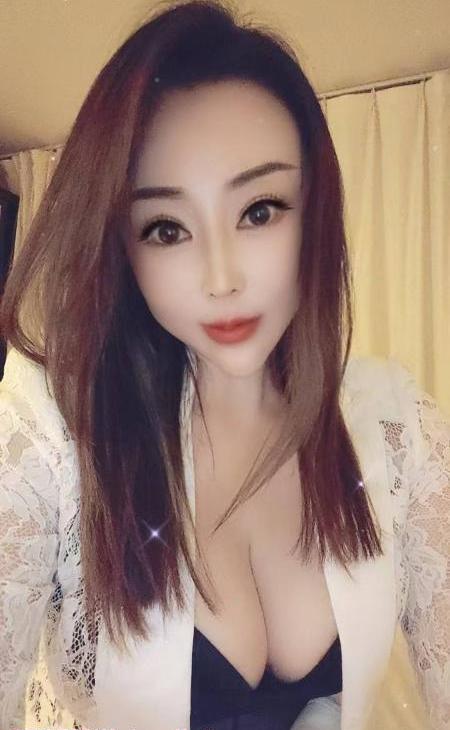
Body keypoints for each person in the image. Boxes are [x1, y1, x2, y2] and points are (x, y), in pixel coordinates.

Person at [0, 1, 449, 729]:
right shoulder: (50, 432)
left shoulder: (394, 426)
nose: (221, 278)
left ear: (314, 209)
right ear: (121, 248)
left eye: (259, 210)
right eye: (166, 228)